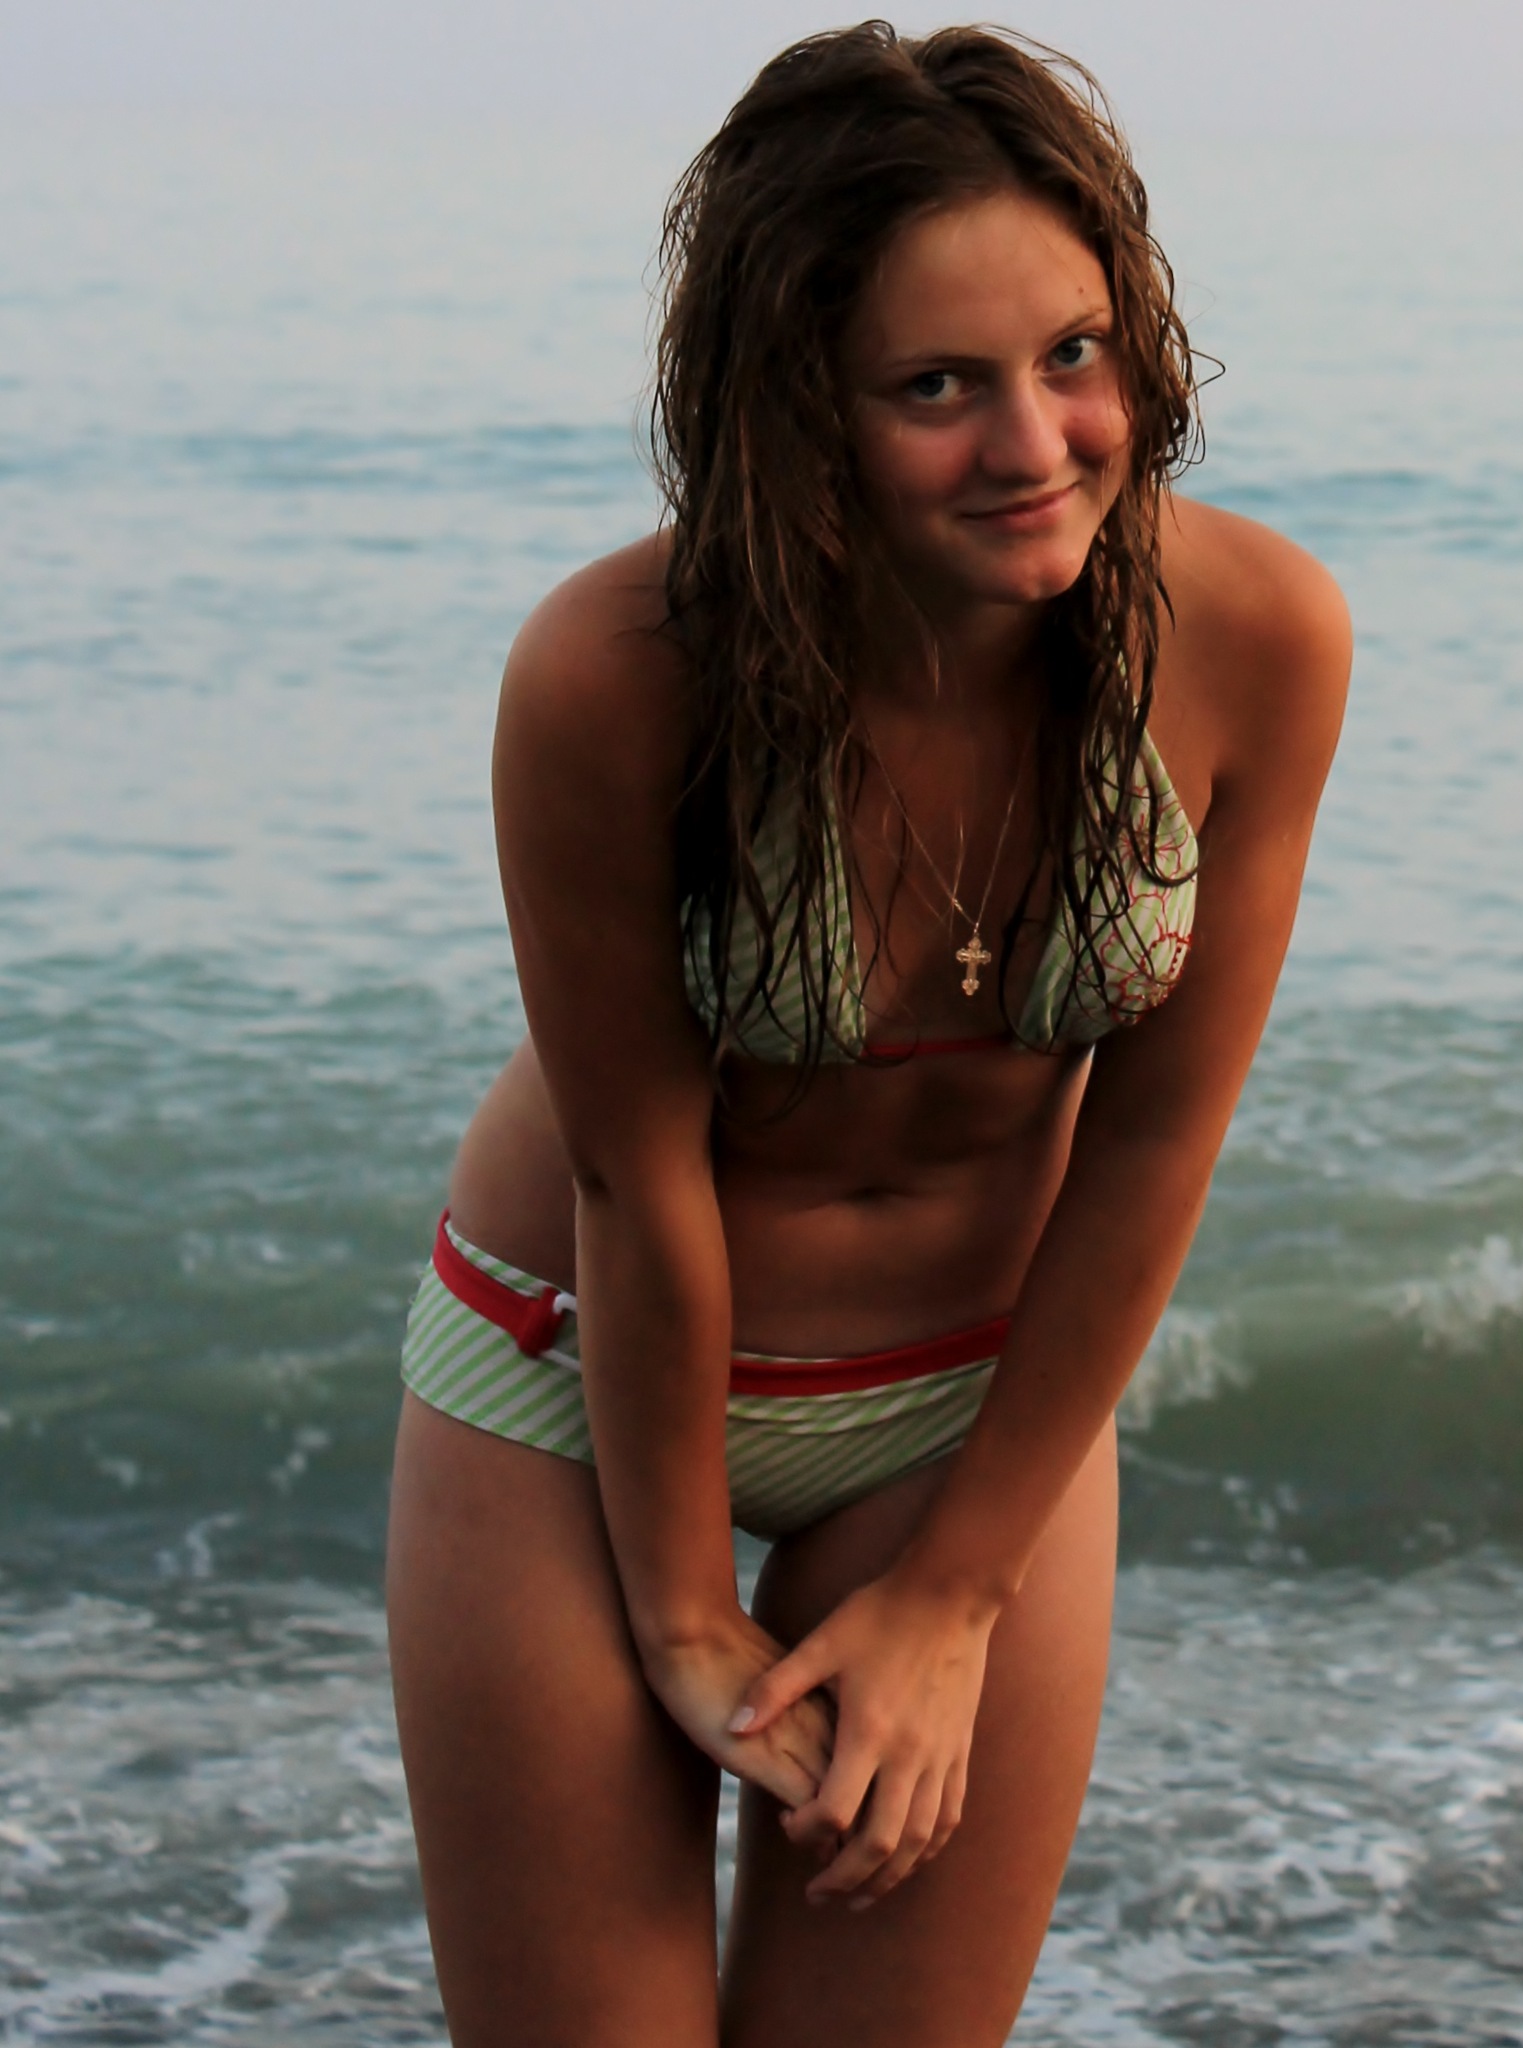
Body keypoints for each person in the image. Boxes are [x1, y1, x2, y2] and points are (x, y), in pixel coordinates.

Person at [382, 21, 1349, 2048]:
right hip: (576, 1380)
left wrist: (956, 1594)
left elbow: (1149, 1153)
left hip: (965, 1409)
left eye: (1073, 352)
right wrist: (678, 1617)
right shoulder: (616, 679)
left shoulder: (1254, 640)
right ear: (794, 410)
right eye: (936, 386)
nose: (1035, 441)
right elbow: (635, 1177)